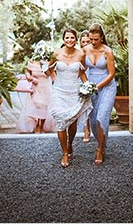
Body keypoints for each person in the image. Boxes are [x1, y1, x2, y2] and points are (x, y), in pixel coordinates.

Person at [47, 28, 93, 168]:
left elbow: (82, 73)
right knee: (61, 122)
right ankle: (65, 153)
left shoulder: (81, 54)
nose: (69, 40)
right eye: (67, 38)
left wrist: (88, 86)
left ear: (76, 39)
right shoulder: (56, 53)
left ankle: (70, 144)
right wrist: (54, 78)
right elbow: (48, 68)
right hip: (59, 92)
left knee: (72, 123)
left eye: (72, 38)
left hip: (73, 92)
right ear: (63, 39)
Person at [84, 23, 117, 165]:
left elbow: (111, 73)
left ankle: (99, 150)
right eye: (91, 39)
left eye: (96, 39)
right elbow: (80, 71)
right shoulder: (85, 50)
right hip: (91, 87)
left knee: (101, 116)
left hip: (107, 86)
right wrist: (87, 85)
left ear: (101, 37)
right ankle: (102, 143)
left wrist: (98, 86)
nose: (93, 42)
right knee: (92, 120)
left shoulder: (107, 51)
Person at [15, 60, 56, 134]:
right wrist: (28, 76)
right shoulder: (31, 62)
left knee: (44, 106)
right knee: (37, 105)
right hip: (35, 86)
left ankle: (41, 126)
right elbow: (28, 72)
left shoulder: (49, 62)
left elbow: (51, 75)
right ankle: (37, 124)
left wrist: (45, 66)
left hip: (45, 87)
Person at [78, 30, 93, 143]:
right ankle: (86, 130)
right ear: (80, 43)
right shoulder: (79, 53)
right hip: (81, 79)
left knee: (94, 104)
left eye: (88, 41)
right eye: (83, 41)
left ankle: (95, 129)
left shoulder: (95, 53)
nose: (86, 43)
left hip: (93, 78)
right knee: (84, 105)